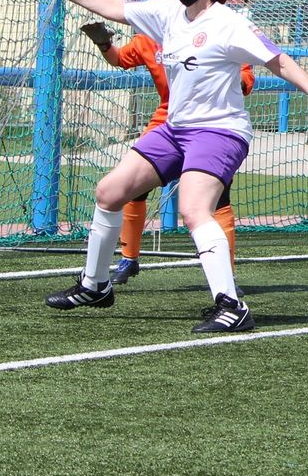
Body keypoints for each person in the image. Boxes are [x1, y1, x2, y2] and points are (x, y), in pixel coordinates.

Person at [33, 0, 308, 333]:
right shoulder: (168, 14)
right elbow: (113, 6)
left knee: (194, 210)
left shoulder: (230, 23)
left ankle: (232, 306)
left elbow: (278, 60)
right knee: (109, 192)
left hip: (219, 131)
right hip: (174, 130)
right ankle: (95, 286)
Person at [79, 22, 255, 285]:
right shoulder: (148, 38)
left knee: (216, 199)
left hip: (210, 125)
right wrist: (104, 43)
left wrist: (219, 70)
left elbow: (245, 81)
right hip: (166, 122)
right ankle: (128, 259)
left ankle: (227, 278)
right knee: (129, 187)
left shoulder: (220, 30)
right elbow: (120, 59)